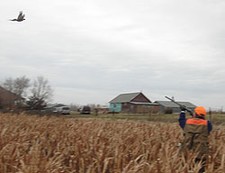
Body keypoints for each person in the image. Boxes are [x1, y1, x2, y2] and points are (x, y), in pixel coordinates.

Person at [178, 106, 212, 173]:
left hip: (187, 150)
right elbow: (208, 129)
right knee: (200, 168)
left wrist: (182, 112)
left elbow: (181, 121)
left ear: (195, 113)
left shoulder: (187, 122)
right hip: (201, 150)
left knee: (186, 168)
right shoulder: (207, 124)